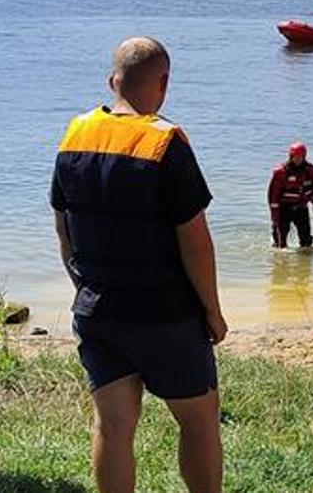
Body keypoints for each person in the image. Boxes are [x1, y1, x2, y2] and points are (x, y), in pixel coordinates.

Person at [51, 37, 225, 493]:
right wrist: (212, 310)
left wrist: (82, 285)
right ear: (164, 83)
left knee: (113, 427)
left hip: (97, 309)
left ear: (113, 80)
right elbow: (196, 243)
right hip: (163, 312)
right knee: (200, 419)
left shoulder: (74, 136)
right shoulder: (165, 143)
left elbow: (63, 229)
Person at [267, 142, 313, 249]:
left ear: (304, 156)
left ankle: (305, 262)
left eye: (300, 157)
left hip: (301, 208)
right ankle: (280, 263)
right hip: (284, 208)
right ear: (290, 156)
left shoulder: (311, 171)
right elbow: (273, 195)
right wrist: (274, 214)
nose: (297, 159)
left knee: (306, 240)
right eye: (295, 157)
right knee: (280, 241)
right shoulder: (281, 172)